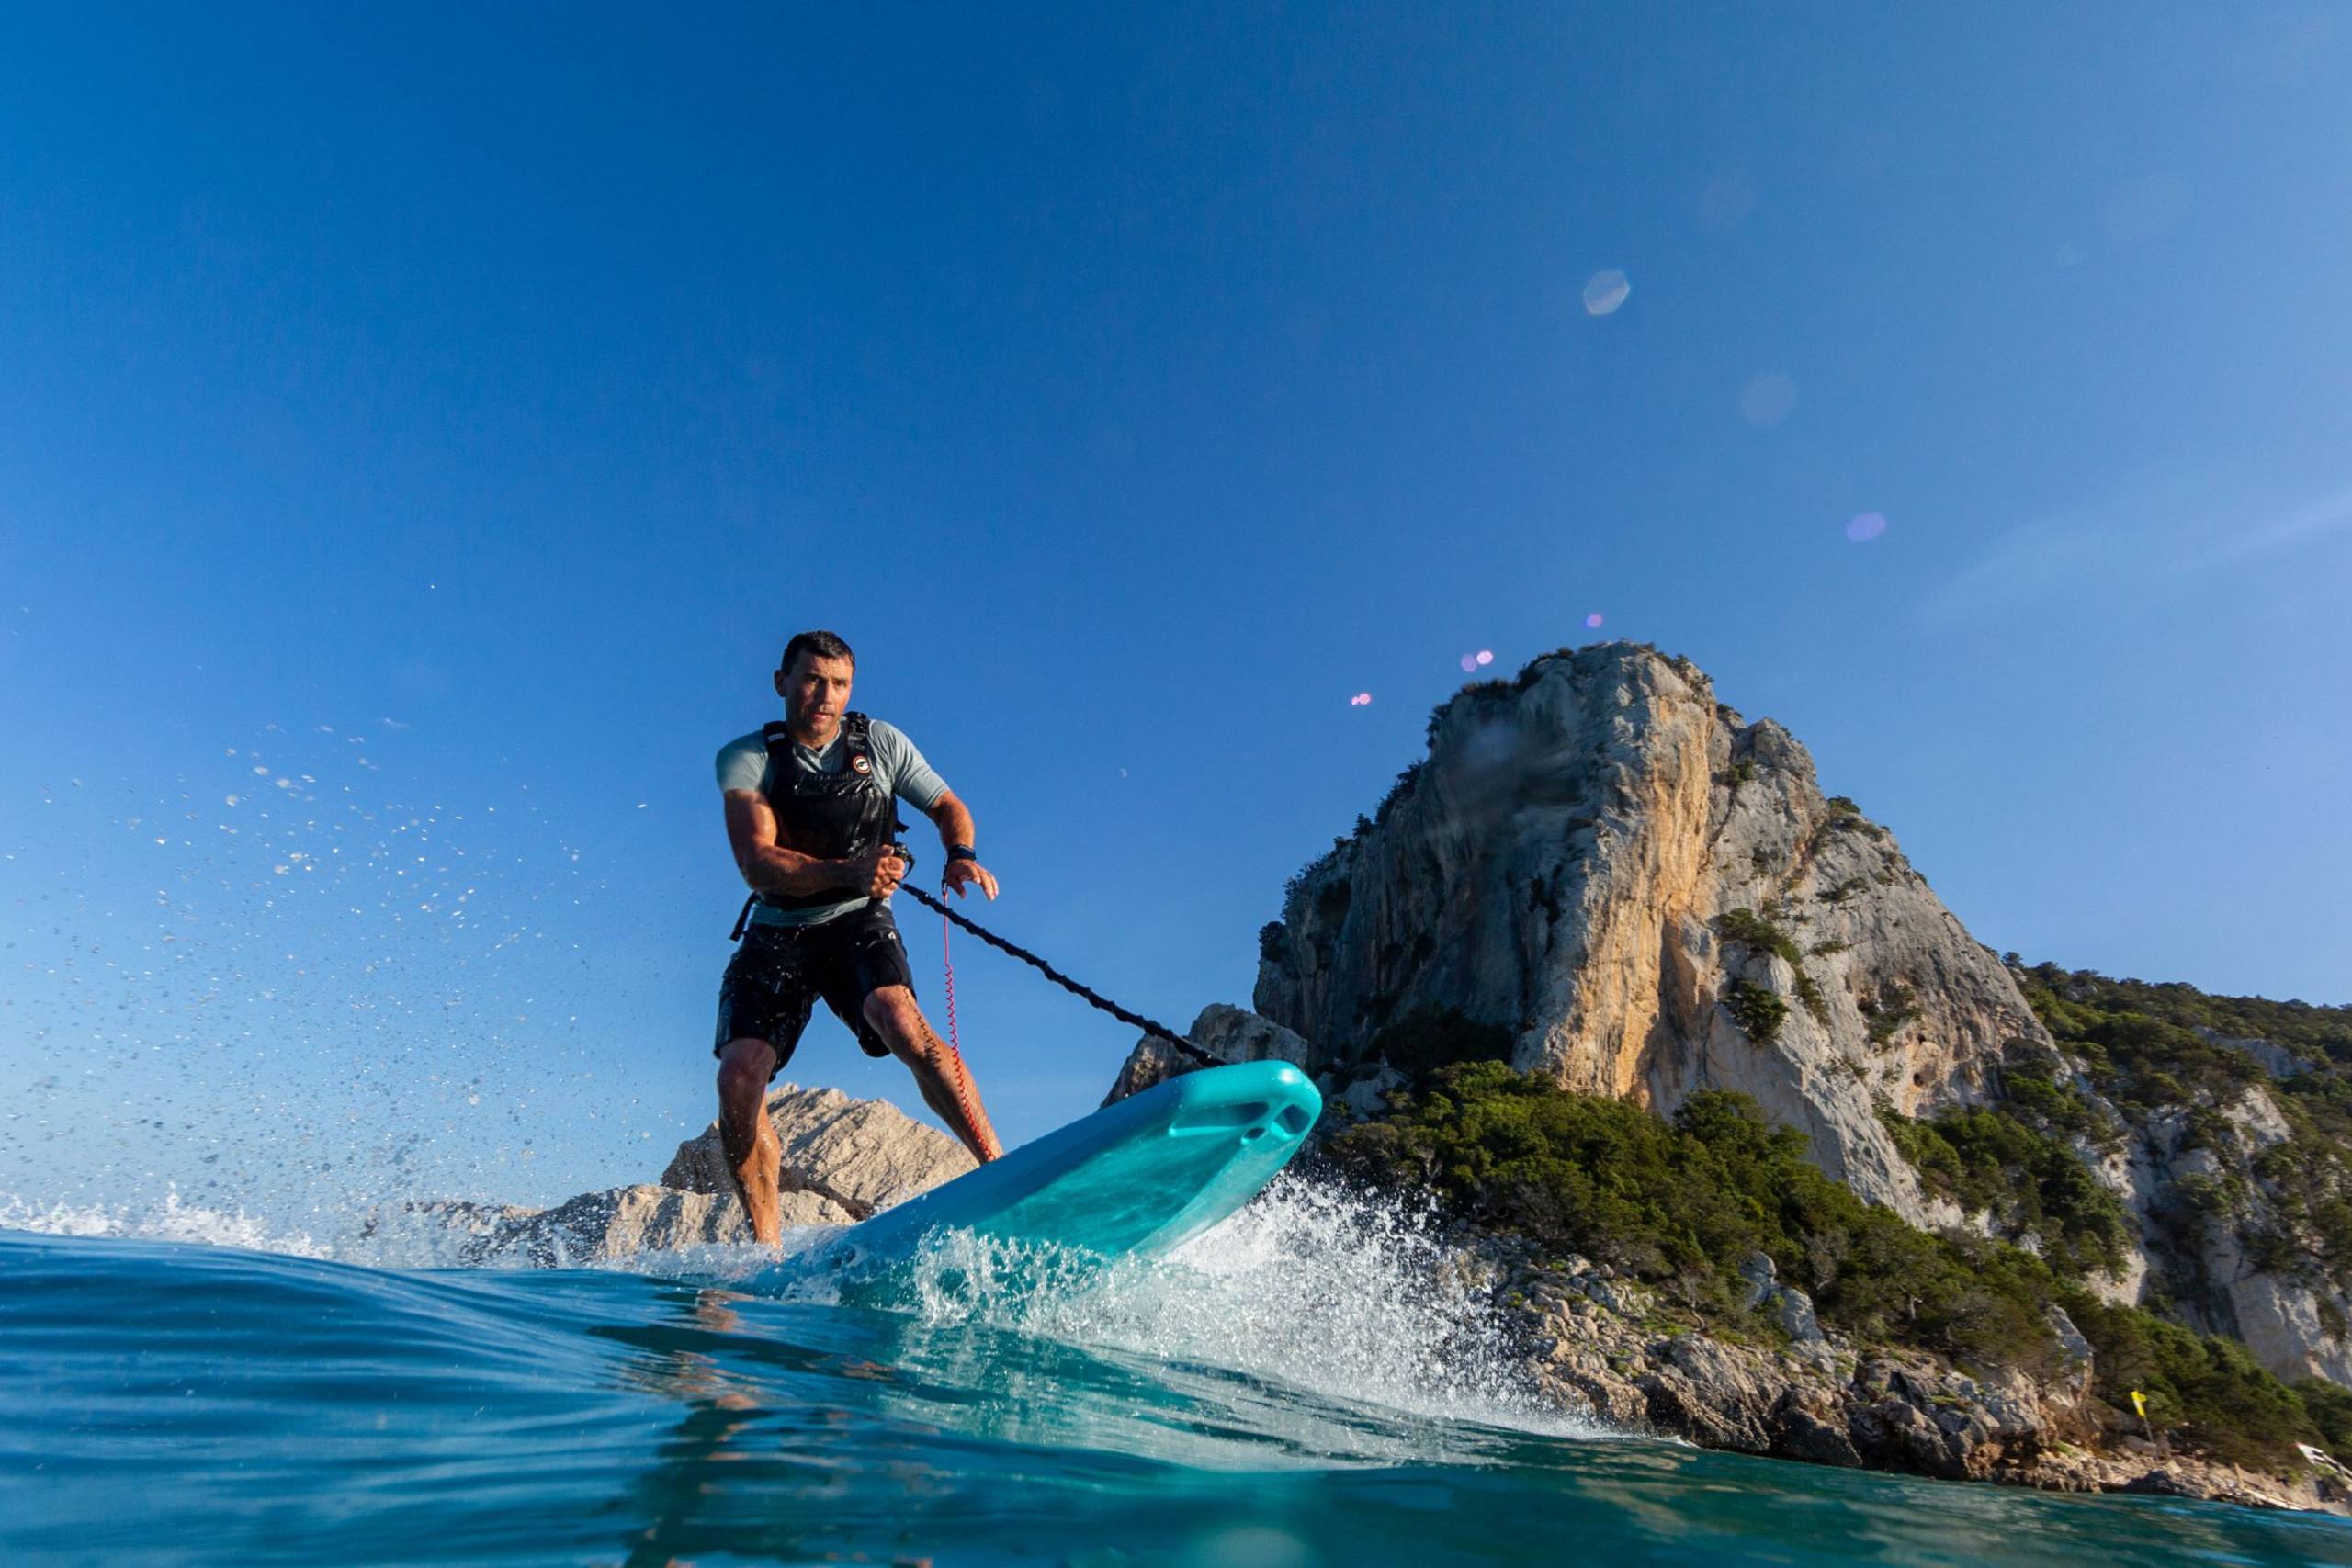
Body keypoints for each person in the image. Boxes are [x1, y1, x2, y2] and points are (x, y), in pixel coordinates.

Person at [712, 629, 1003, 1246]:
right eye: (813, 679)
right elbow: (756, 861)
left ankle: (1001, 1170)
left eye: (839, 683)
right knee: (740, 1074)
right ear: (782, 682)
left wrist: (961, 853)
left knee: (899, 1017)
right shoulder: (748, 758)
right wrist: (850, 869)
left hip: (856, 920)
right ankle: (766, 1241)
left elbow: (949, 804)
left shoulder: (880, 743)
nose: (826, 695)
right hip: (778, 930)